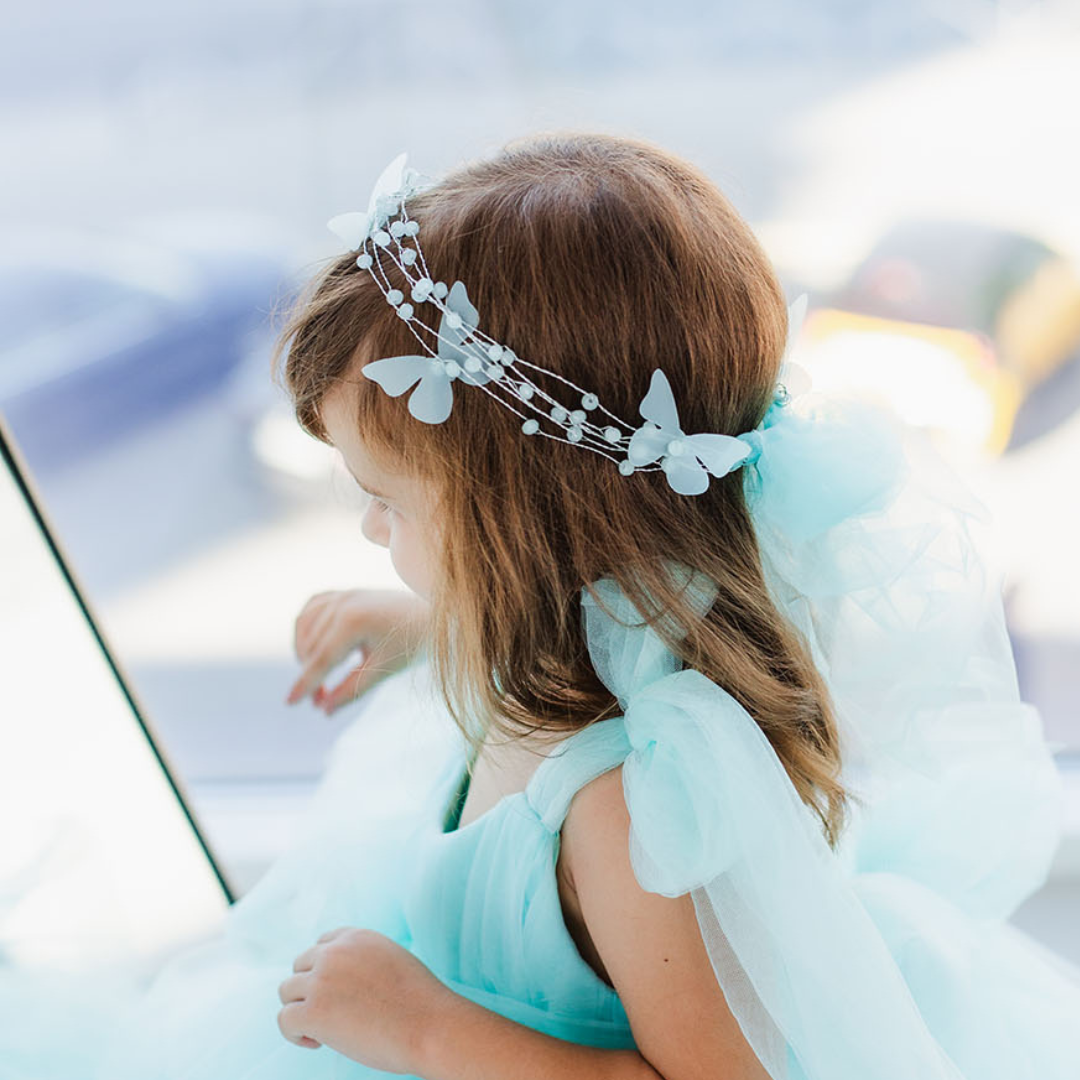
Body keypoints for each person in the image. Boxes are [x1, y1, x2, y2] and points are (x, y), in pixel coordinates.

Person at [10, 130, 1080, 1079]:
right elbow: (614, 616)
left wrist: (424, 1032)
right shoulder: (625, 606)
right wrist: (437, 629)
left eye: (388, 501)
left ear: (526, 523)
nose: (371, 531)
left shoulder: (628, 815)